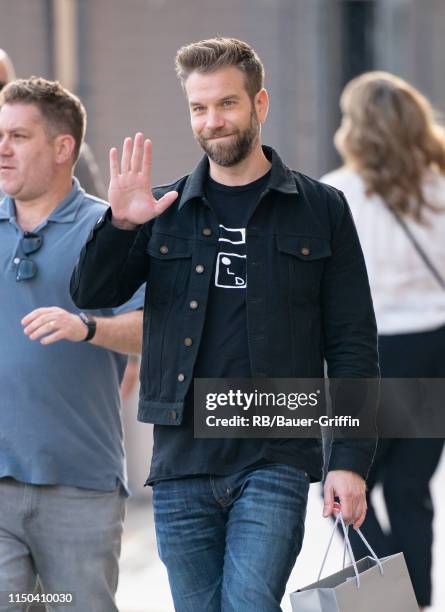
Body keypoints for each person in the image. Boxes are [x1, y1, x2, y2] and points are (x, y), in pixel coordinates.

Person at [71, 37, 379, 611]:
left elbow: (353, 344)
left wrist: (348, 460)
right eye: (199, 107)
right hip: (182, 462)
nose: (213, 121)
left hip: (275, 456)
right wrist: (118, 224)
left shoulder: (322, 209)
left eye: (227, 104)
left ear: (259, 105)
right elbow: (91, 293)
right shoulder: (161, 210)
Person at [0, 77, 144, 612]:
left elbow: (157, 330)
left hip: (81, 486)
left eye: (18, 136)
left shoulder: (107, 230)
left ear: (63, 148)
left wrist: (88, 327)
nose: (2, 148)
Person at [321, 71, 445, 611]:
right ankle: (416, 601)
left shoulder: (336, 193)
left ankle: (389, 599)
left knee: (346, 494)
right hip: (436, 352)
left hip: (365, 359)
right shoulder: (442, 184)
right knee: (410, 491)